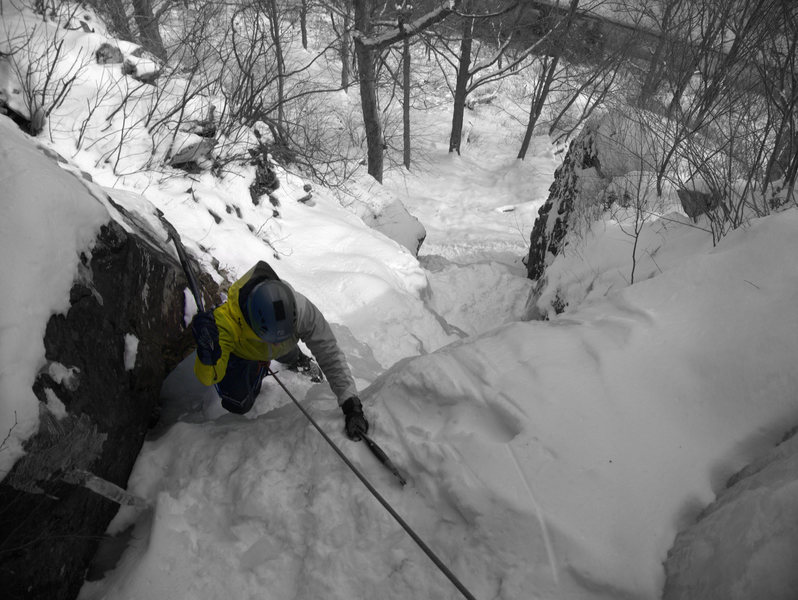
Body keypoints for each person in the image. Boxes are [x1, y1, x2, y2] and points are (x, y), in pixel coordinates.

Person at [190, 261, 369, 440]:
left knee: (285, 347)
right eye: (270, 338)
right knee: (238, 404)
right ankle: (259, 368)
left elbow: (329, 352)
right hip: (244, 353)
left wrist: (350, 403)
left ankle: (296, 358)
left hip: (281, 346)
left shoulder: (300, 310)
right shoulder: (226, 324)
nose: (276, 344)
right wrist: (209, 356)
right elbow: (210, 377)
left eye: (283, 335)